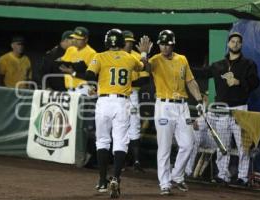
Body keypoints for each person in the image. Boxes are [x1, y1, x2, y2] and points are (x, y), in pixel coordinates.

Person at [85, 29, 151, 198]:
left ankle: (101, 181)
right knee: (120, 142)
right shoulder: (130, 57)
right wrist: (144, 52)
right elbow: (146, 67)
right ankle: (116, 178)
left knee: (102, 141)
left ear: (107, 42)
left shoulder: (99, 56)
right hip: (122, 102)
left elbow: (89, 73)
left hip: (104, 101)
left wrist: (92, 85)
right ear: (122, 42)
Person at [193, 32, 260, 186]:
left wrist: (239, 82)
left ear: (241, 45)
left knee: (244, 147)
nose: (235, 44)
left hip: (240, 110)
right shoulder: (218, 65)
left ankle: (243, 178)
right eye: (232, 41)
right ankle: (222, 175)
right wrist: (184, 67)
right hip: (222, 111)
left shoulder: (248, 64)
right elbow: (202, 73)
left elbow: (255, 82)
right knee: (222, 145)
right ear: (228, 44)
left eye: (238, 42)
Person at [145, 30, 203, 195]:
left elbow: (190, 81)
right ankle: (164, 183)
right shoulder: (155, 59)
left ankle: (177, 175)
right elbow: (146, 68)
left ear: (172, 44)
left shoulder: (182, 59)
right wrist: (144, 55)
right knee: (164, 146)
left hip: (182, 107)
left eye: (167, 43)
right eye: (161, 43)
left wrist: (199, 100)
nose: (164, 46)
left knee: (188, 144)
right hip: (164, 106)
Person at [122, 30, 150, 172]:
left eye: (131, 42)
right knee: (119, 127)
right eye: (127, 41)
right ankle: (121, 161)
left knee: (134, 127)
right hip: (117, 96)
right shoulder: (112, 55)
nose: (129, 44)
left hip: (132, 95)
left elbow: (145, 78)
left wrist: (128, 83)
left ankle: (137, 161)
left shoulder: (137, 57)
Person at [61, 26, 96, 95]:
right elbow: (62, 65)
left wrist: (74, 73)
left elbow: (92, 76)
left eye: (79, 39)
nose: (75, 41)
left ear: (86, 40)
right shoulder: (70, 49)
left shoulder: (91, 53)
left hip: (83, 89)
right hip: (69, 89)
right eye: (74, 38)